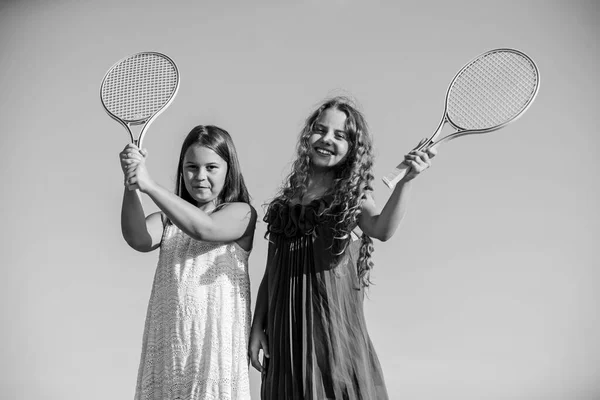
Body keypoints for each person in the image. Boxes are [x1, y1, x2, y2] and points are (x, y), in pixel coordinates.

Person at [248, 97, 436, 399]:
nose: (326, 139)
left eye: (340, 135)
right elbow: (272, 271)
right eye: (320, 130)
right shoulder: (286, 203)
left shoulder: (350, 196)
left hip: (331, 332)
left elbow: (381, 229)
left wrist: (407, 182)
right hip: (286, 337)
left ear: (353, 148)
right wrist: (258, 327)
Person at [120, 125, 256, 400]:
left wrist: (150, 185)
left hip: (213, 352)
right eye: (191, 167)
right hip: (170, 348)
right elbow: (138, 238)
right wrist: (132, 185)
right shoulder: (168, 220)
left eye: (211, 167)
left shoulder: (241, 213)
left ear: (229, 170)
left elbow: (204, 228)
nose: (200, 176)